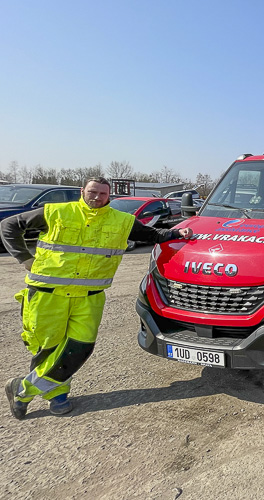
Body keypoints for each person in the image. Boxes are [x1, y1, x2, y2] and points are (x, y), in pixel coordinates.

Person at [2, 177, 193, 419]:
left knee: (79, 347)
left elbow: (153, 235)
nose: (97, 197)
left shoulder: (122, 221)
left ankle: (22, 389)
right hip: (47, 294)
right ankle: (57, 395)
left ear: (109, 196)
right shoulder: (56, 212)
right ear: (82, 191)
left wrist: (179, 232)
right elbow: (9, 226)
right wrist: (25, 259)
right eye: (92, 192)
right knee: (48, 347)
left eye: (102, 193)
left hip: (89, 297)